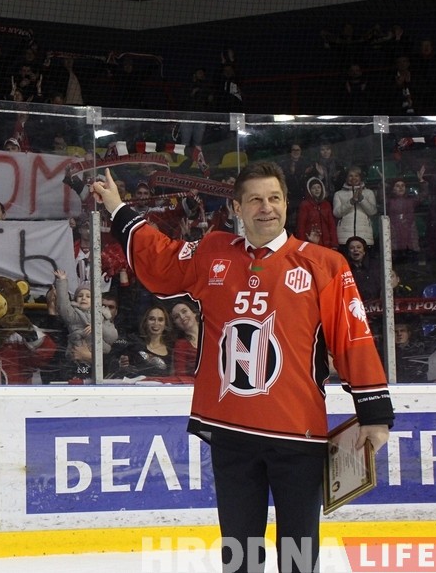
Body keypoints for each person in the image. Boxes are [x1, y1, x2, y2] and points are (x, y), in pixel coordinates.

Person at [92, 161, 393, 573]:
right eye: (254, 199)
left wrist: (374, 414)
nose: (265, 207)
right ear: (237, 206)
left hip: (297, 433)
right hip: (231, 431)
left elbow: (352, 338)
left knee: (299, 556)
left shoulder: (324, 264)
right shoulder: (214, 251)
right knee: (240, 556)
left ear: (287, 203)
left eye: (274, 198)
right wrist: (118, 208)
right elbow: (161, 260)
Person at [51, 270, 118, 346]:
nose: (83, 298)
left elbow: (113, 337)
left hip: (98, 352)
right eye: (80, 296)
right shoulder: (73, 314)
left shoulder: (102, 315)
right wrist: (62, 281)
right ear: (76, 299)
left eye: (88, 296)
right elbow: (63, 303)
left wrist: (98, 327)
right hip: (77, 349)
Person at [107, 305, 173, 379]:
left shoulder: (172, 351)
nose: (156, 323)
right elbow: (111, 362)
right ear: (145, 322)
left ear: (165, 324)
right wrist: (120, 363)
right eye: (152, 319)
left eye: (160, 320)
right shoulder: (133, 345)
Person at [332, 166, 377, 250]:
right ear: (346, 178)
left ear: (360, 178)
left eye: (356, 176)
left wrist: (361, 199)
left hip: (364, 235)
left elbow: (372, 211)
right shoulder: (339, 194)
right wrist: (351, 201)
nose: (353, 178)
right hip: (344, 236)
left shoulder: (369, 193)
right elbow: (337, 213)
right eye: (350, 176)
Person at [294, 177, 336, 249]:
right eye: (313, 188)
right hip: (311, 242)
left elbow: (331, 225)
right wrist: (302, 245)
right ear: (309, 190)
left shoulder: (326, 204)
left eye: (318, 187)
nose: (317, 190)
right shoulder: (305, 205)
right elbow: (301, 226)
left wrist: (334, 243)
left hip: (327, 244)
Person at [169, 300, 200, 378]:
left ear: (194, 313)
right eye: (177, 317)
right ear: (176, 324)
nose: (182, 317)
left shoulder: (212, 336)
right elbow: (181, 377)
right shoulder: (181, 345)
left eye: (184, 311)